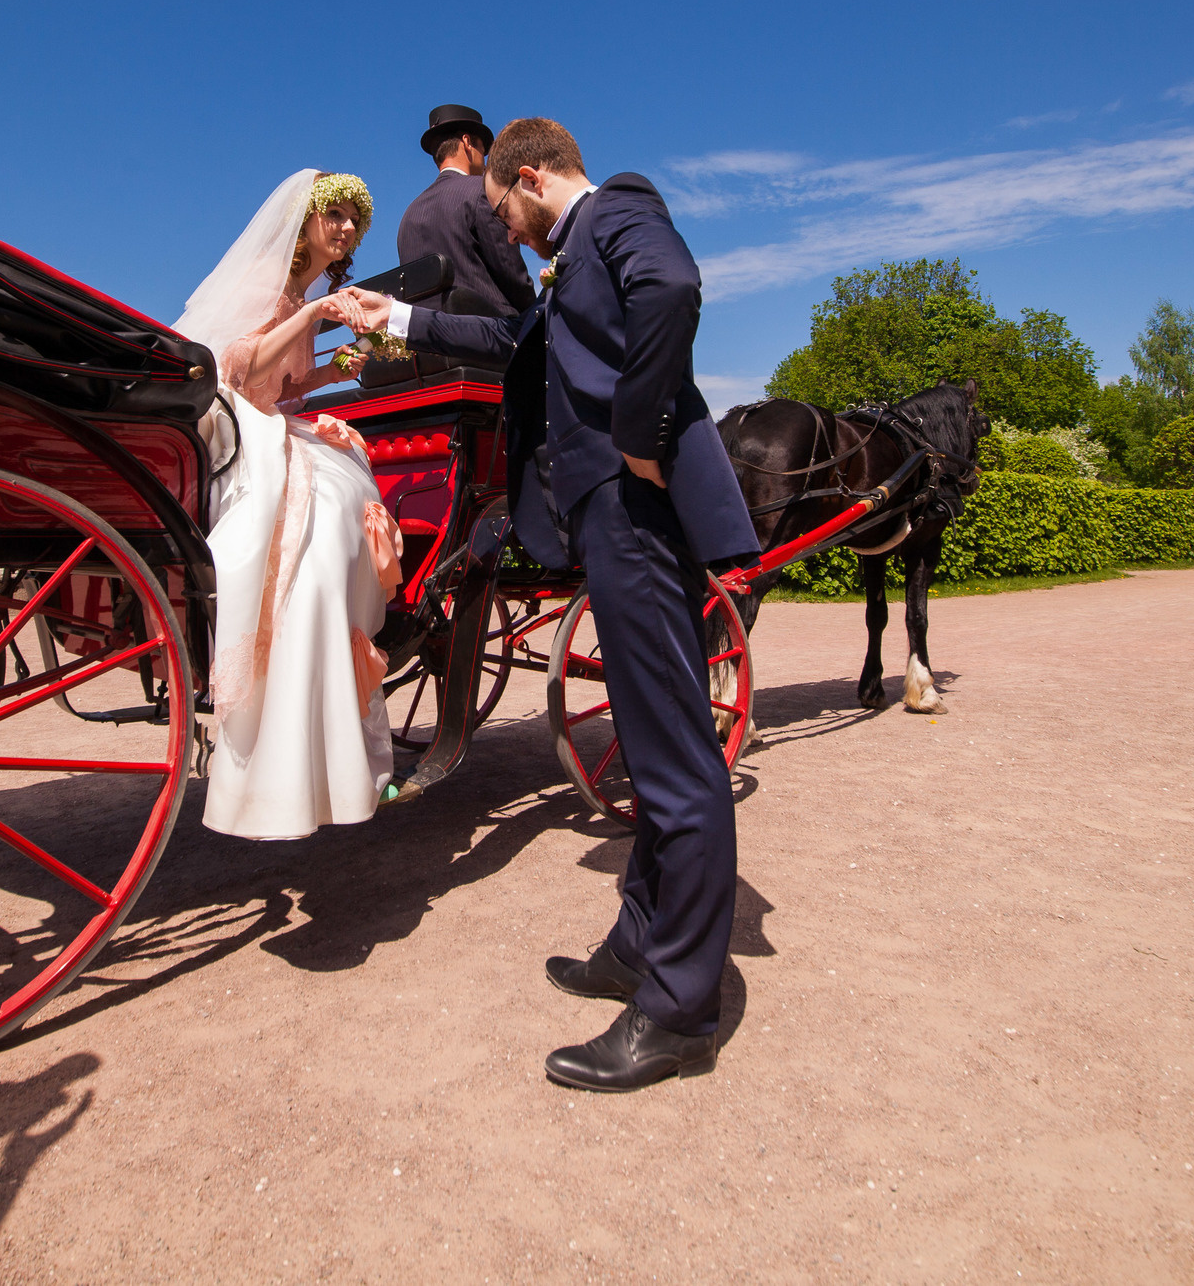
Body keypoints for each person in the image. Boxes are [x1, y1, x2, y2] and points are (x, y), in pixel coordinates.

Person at [340, 117, 757, 1092]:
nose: (508, 231)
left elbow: (675, 289)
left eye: (504, 212)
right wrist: (393, 322)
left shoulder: (620, 208)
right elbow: (511, 338)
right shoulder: (570, 260)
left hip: (634, 502)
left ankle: (679, 1011)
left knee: (674, 752)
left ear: (529, 175)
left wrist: (642, 429)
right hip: (607, 516)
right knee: (653, 741)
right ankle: (637, 946)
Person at [174, 169, 403, 841]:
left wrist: (336, 372)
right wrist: (314, 314)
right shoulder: (266, 289)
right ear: (301, 223)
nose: (346, 230)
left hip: (275, 423)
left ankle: (328, 682)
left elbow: (288, 387)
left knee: (345, 486)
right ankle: (292, 681)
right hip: (239, 435)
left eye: (354, 222)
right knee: (328, 510)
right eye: (333, 216)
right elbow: (237, 373)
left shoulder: (301, 294)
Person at [395, 104, 536, 316]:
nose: (485, 160)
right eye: (483, 150)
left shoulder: (409, 215)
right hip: (489, 336)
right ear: (467, 142)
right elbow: (511, 273)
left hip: (427, 340)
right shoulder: (481, 192)